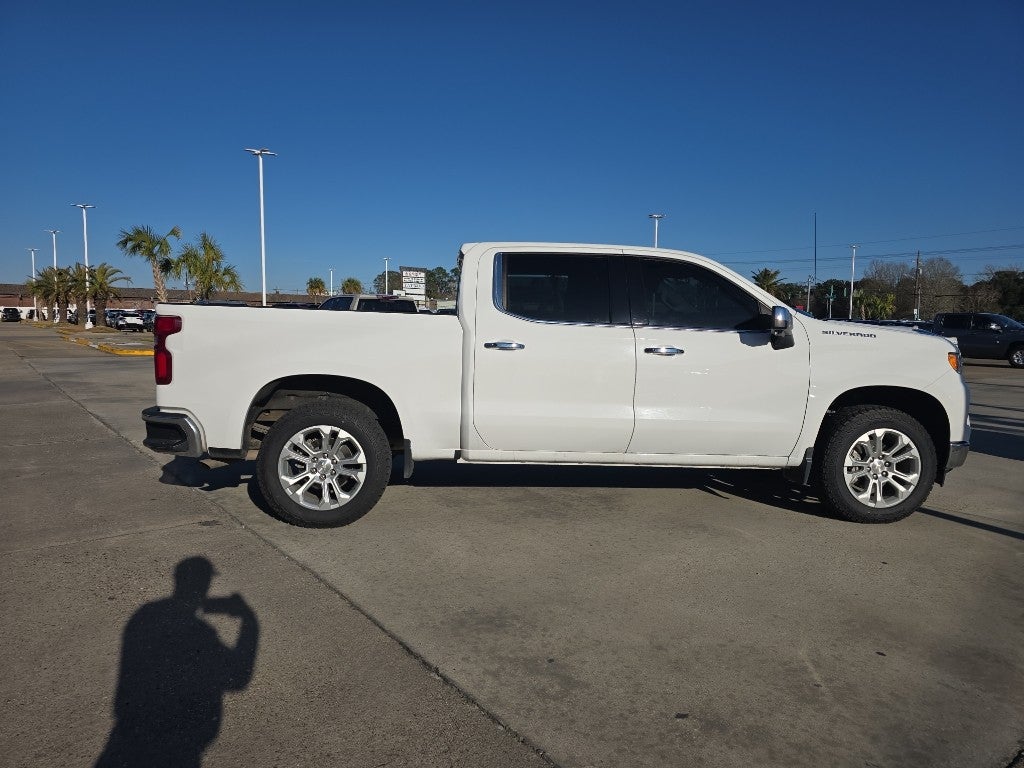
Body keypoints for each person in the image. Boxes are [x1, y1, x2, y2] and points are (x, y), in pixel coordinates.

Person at [95, 557, 259, 768]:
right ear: (203, 584)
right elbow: (238, 678)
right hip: (176, 747)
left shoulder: (144, 614)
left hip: (128, 735)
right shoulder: (200, 631)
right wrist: (249, 621)